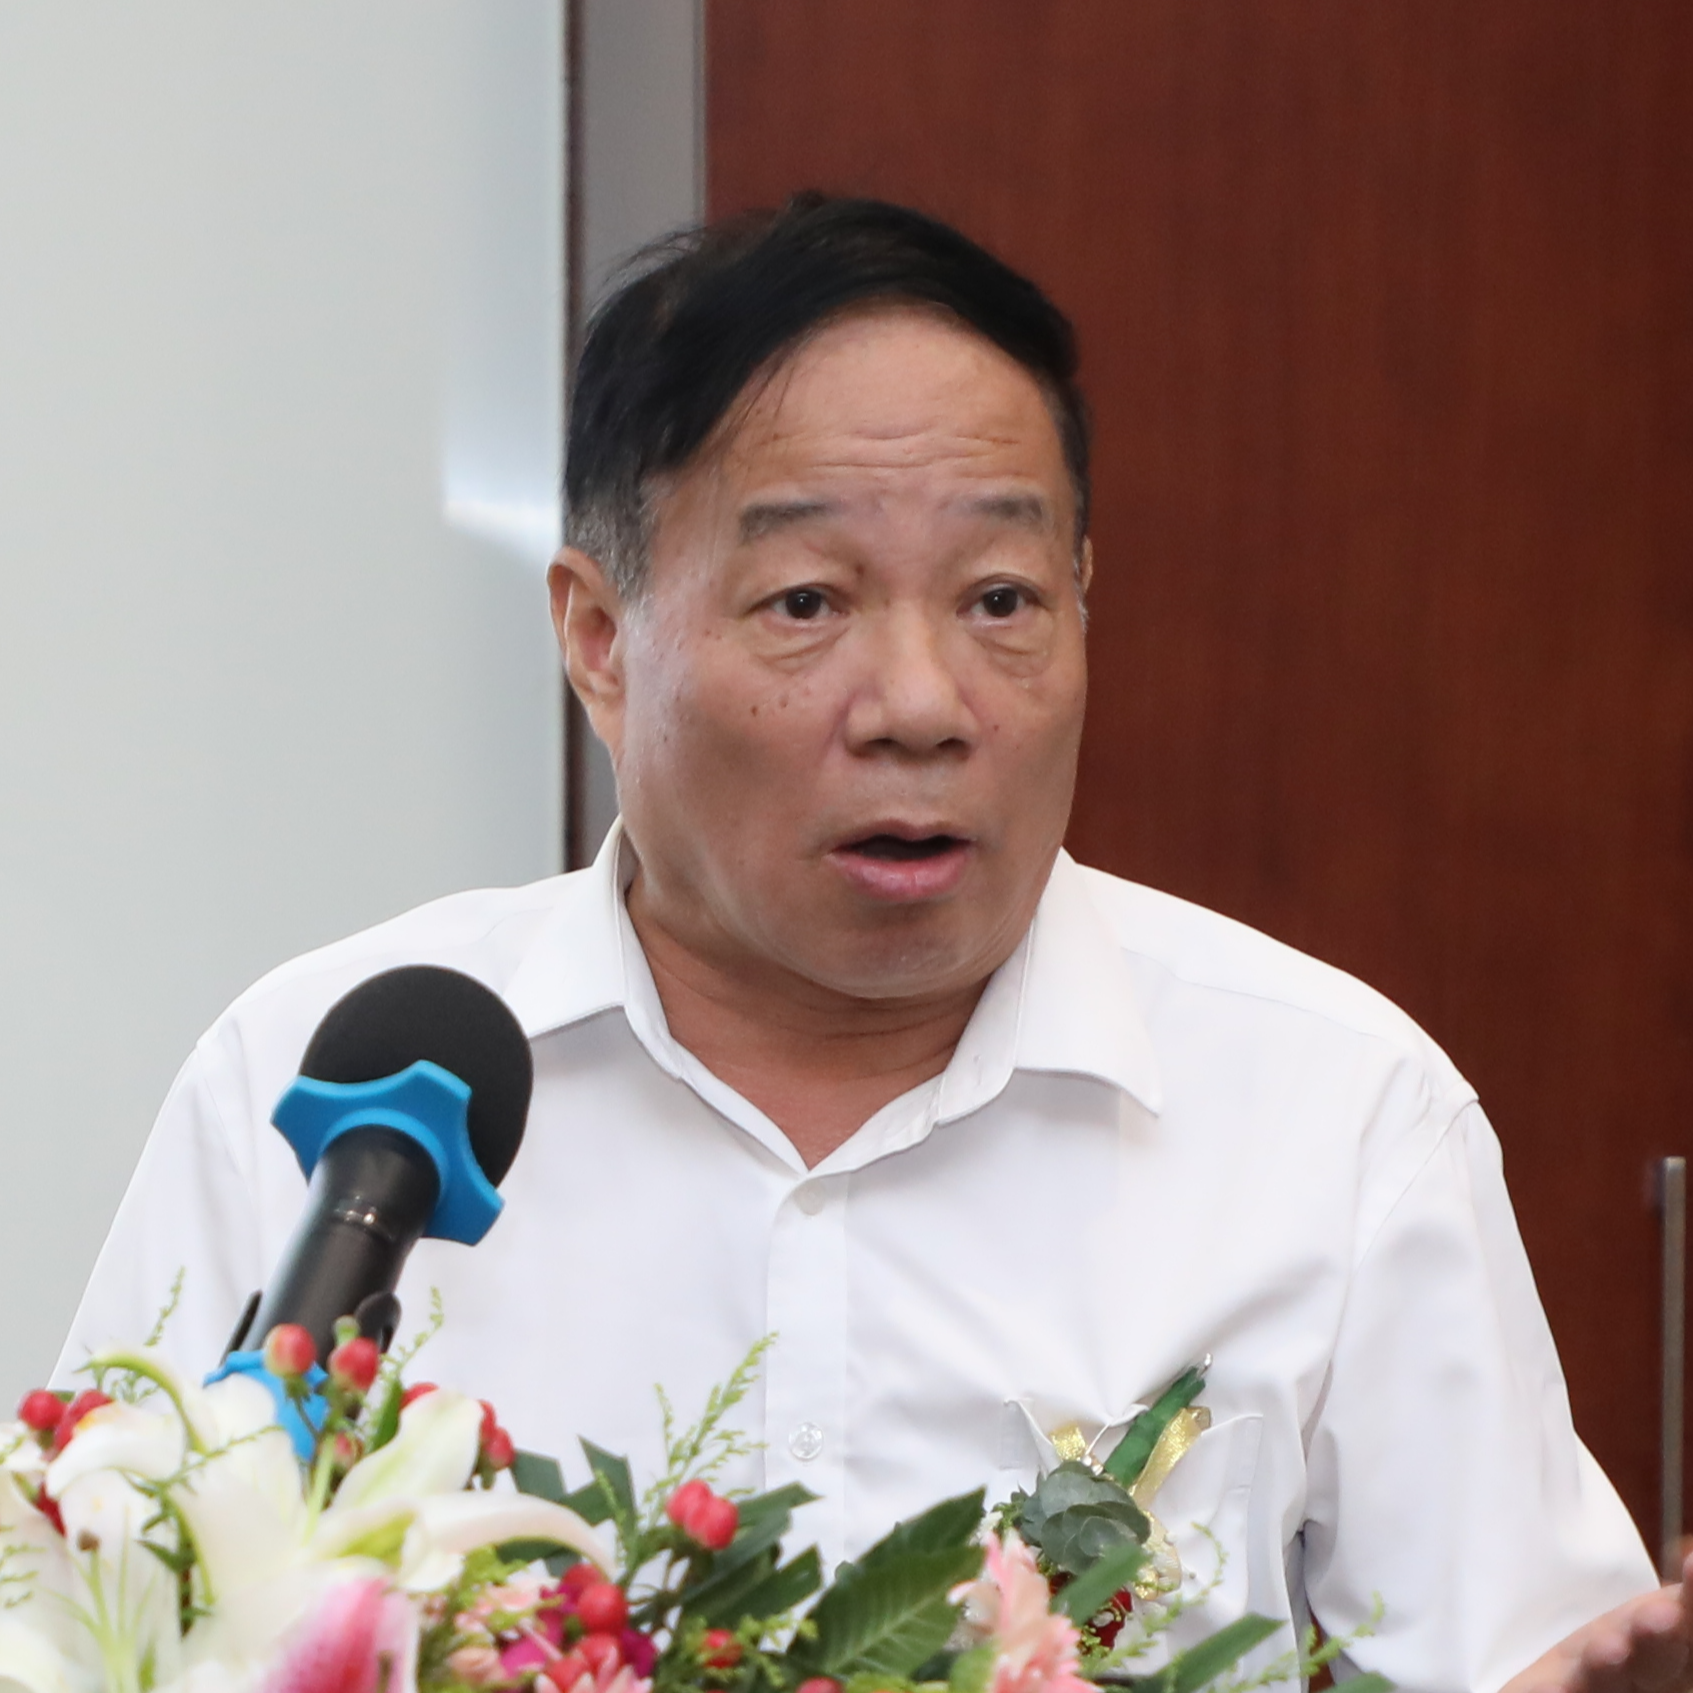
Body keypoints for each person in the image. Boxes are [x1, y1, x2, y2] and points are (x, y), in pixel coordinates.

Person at [56, 197, 1692, 1693]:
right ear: (601, 637)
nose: (921, 704)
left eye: (1000, 600)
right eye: (807, 603)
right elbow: (91, 1619)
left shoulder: (1333, 1118)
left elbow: (1510, 1653)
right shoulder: (327, 1093)